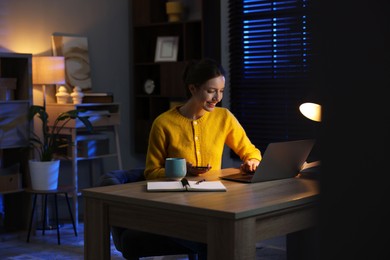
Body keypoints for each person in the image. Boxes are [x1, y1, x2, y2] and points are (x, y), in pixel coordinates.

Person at [144, 58, 262, 180]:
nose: (218, 98)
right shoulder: (163, 123)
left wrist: (252, 161)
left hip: (214, 194)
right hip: (178, 196)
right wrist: (182, 171)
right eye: (211, 91)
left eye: (221, 91)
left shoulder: (224, 117)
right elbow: (151, 172)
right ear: (193, 89)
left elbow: (250, 151)